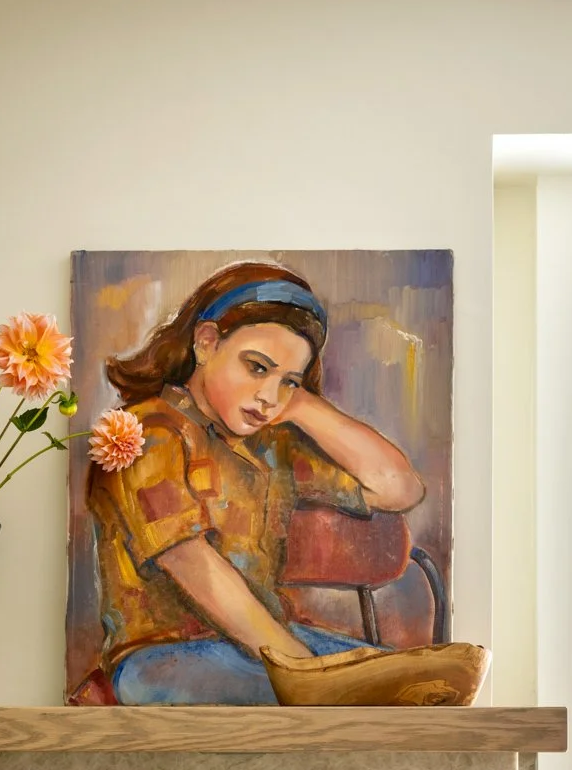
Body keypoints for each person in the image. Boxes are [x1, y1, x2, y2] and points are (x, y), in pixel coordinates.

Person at [75, 261, 425, 705]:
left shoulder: (268, 445)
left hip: (264, 649)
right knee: (368, 698)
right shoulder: (148, 434)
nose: (269, 396)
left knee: (408, 686)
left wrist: (301, 406)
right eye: (257, 368)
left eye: (288, 381)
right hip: (163, 660)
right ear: (206, 343)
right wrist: (304, 671)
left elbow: (400, 488)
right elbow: (196, 570)